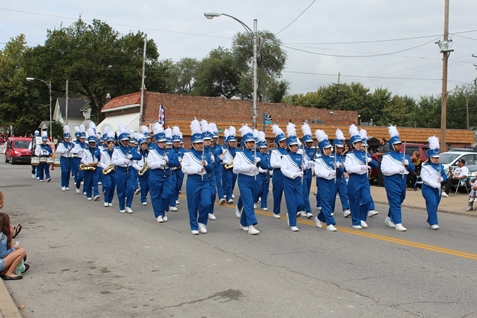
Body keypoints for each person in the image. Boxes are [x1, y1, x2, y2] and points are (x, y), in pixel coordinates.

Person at [181, 119, 213, 235]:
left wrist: (207, 164)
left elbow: (211, 170)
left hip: (205, 181)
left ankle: (202, 222)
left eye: (202, 143)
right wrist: (196, 169)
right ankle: (193, 225)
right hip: (193, 181)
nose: (201, 145)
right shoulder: (187, 155)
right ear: (193, 144)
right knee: (193, 204)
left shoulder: (207, 155)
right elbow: (184, 169)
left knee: (207, 203)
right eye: (198, 143)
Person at [381, 126, 415, 232]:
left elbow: (412, 168)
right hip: (391, 181)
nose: (399, 146)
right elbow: (384, 170)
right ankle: (398, 223)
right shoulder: (387, 156)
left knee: (401, 198)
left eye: (400, 144)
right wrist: (397, 169)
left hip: (402, 180)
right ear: (392, 145)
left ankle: (389, 218)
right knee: (395, 201)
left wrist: (408, 163)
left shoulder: (404, 156)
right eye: (396, 144)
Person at [344, 125, 378, 229]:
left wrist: (371, 160)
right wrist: (361, 167)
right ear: (353, 144)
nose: (360, 144)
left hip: (364, 179)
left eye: (360, 143)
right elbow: (349, 169)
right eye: (358, 143)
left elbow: (376, 166)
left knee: (367, 200)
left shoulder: (365, 153)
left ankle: (362, 218)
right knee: (354, 200)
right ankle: (355, 221)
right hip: (354, 179)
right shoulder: (349, 155)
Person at [234, 125, 265, 234]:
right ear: (244, 143)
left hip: (254, 180)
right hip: (243, 180)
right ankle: (251, 225)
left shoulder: (255, 154)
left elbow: (267, 165)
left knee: (250, 201)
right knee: (249, 203)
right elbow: (235, 169)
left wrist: (260, 161)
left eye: (253, 142)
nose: (251, 144)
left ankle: (243, 223)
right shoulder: (239, 154)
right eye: (249, 142)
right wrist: (249, 167)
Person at [112, 125, 142, 214]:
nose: (126, 142)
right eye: (124, 140)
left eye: (127, 140)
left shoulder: (131, 149)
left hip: (130, 170)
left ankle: (128, 205)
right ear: (120, 141)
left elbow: (139, 157)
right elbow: (113, 162)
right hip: (120, 171)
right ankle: (122, 206)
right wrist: (122, 161)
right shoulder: (116, 150)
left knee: (130, 188)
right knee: (121, 189)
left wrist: (132, 156)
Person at [314, 129, 339, 232]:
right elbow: (317, 172)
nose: (328, 150)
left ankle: (320, 218)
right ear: (322, 149)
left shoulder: (333, 158)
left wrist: (339, 167)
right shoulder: (318, 160)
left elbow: (340, 171)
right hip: (323, 182)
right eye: (326, 149)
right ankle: (330, 223)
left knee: (331, 201)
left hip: (332, 182)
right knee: (325, 202)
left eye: (329, 148)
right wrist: (328, 173)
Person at [421, 136, 447, 229]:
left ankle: (430, 220)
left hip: (438, 189)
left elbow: (445, 175)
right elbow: (425, 179)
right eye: (434, 158)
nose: (436, 159)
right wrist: (435, 184)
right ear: (430, 158)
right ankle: (434, 223)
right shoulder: (425, 166)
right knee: (432, 203)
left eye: (437, 158)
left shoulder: (441, 166)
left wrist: (442, 179)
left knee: (434, 205)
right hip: (428, 188)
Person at [0, 213, 27, 280]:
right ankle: (8, 273)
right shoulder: (2, 237)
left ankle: (5, 270)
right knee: (22, 251)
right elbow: (2, 254)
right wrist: (13, 248)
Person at [270, 124, 288, 219]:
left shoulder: (288, 151)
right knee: (277, 193)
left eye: (285, 142)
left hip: (287, 175)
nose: (284, 143)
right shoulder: (274, 152)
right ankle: (276, 211)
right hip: (278, 175)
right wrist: (284, 163)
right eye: (282, 142)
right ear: (278, 143)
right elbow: (273, 164)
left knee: (289, 194)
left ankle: (291, 211)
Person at [332, 129, 351, 218]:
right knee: (332, 194)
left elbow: (345, 167)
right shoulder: (332, 157)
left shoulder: (343, 157)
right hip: (333, 178)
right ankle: (331, 209)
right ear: (335, 148)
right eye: (339, 148)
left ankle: (346, 209)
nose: (340, 149)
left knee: (344, 193)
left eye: (341, 148)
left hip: (341, 178)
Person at [300, 123, 315, 219]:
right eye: (308, 142)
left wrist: (312, 162)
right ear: (305, 143)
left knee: (307, 192)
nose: (310, 144)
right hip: (303, 173)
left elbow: (315, 159)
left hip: (309, 172)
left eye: (311, 142)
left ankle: (302, 208)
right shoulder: (301, 150)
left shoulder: (313, 150)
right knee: (304, 192)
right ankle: (308, 210)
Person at [81, 128, 101, 201]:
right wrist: (87, 164)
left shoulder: (98, 150)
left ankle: (96, 194)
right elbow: (83, 159)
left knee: (95, 181)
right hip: (88, 167)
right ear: (89, 143)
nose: (92, 144)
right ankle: (89, 194)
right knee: (88, 181)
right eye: (91, 143)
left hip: (96, 167)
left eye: (93, 142)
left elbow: (100, 158)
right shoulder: (85, 150)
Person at [99, 129, 116, 207]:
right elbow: (101, 162)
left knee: (112, 186)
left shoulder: (116, 151)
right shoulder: (103, 152)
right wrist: (105, 167)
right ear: (107, 144)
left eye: (112, 143)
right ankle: (106, 200)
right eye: (110, 143)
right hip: (107, 170)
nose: (111, 144)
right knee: (108, 185)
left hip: (114, 171)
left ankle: (110, 200)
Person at [55, 125, 73, 191]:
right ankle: (63, 184)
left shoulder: (71, 144)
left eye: (68, 138)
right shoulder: (61, 144)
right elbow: (57, 151)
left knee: (68, 172)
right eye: (66, 138)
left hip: (69, 158)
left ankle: (67, 184)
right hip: (63, 158)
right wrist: (64, 151)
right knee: (64, 171)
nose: (67, 140)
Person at [256, 131, 271, 211]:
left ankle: (264, 205)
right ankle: (255, 200)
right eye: (262, 148)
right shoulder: (257, 154)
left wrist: (268, 167)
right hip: (259, 174)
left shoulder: (268, 154)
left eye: (265, 148)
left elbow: (270, 164)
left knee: (265, 190)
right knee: (259, 189)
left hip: (266, 174)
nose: (264, 149)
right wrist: (260, 169)